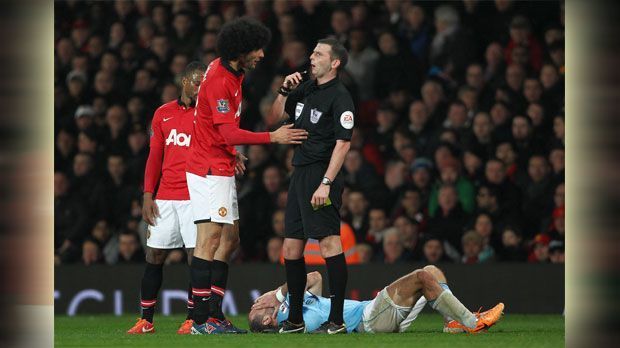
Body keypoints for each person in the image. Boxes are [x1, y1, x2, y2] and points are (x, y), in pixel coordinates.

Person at [185, 18, 308, 336]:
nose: (263, 55)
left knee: (230, 240)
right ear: (241, 50)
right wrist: (273, 138)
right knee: (209, 240)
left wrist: (231, 153)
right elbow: (225, 131)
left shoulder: (230, 71)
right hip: (208, 169)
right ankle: (200, 321)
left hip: (219, 163)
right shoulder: (220, 80)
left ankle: (213, 314)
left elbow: (211, 126)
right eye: (257, 49)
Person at [267, 37, 355, 334]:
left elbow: (343, 144)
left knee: (329, 241)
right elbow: (272, 120)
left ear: (335, 63)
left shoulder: (340, 97)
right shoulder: (305, 87)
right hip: (300, 172)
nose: (311, 57)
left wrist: (326, 184)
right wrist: (283, 91)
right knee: (291, 246)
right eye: (312, 52)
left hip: (322, 174)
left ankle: (337, 320)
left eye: (318, 54)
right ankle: (294, 320)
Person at [127, 62, 206, 335]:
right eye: (196, 81)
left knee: (195, 258)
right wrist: (148, 195)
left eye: (203, 83)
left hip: (195, 196)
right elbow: (154, 157)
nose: (200, 87)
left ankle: (192, 319)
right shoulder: (163, 114)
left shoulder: (206, 114)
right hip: (166, 196)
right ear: (183, 81)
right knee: (155, 255)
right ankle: (145, 319)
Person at [248, 266, 504, 334]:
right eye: (255, 309)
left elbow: (314, 277)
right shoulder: (289, 319)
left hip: (373, 314)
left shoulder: (291, 306)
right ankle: (472, 323)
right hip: (369, 320)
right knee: (423, 277)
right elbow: (314, 323)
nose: (256, 303)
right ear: (268, 318)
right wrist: (281, 299)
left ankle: (453, 324)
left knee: (433, 272)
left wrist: (277, 293)